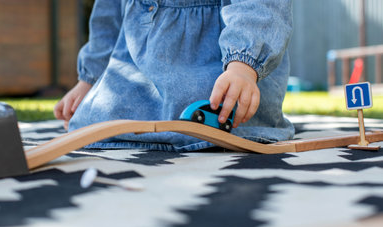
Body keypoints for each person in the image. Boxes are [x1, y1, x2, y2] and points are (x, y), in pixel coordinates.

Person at [54, 0, 294, 151]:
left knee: (206, 102)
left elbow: (260, 7)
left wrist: (243, 64)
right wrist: (90, 79)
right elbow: (109, 18)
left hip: (218, 66)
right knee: (98, 115)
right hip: (137, 66)